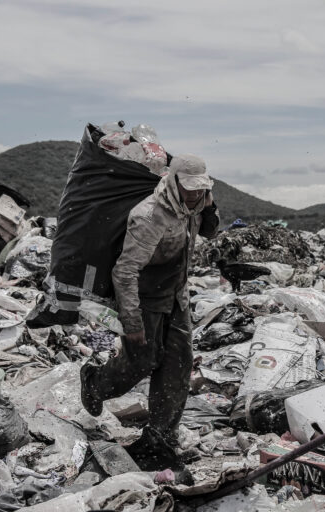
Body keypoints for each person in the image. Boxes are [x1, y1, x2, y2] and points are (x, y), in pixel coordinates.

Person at [80, 153, 220, 455]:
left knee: (178, 367)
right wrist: (131, 321)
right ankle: (94, 382)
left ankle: (160, 438)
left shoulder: (195, 206)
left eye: (201, 189)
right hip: (144, 298)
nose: (195, 194)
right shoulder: (149, 216)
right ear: (173, 182)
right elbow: (125, 271)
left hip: (176, 297)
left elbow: (210, 231)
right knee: (141, 362)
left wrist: (210, 206)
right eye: (190, 188)